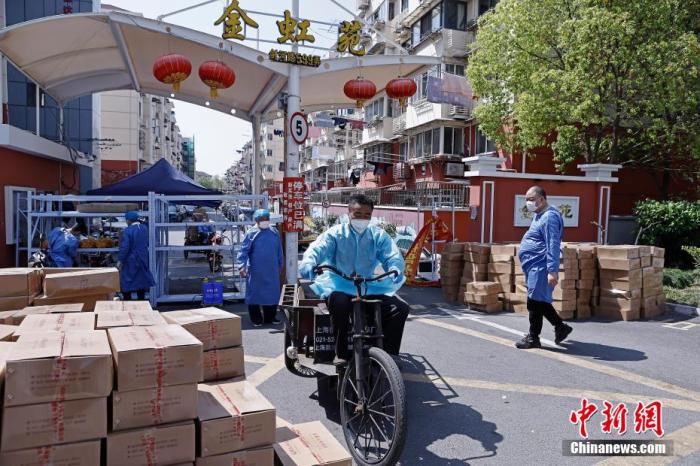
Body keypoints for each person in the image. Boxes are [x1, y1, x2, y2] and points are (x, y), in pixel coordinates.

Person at [299, 194, 409, 361]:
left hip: (367, 286)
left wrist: (395, 267)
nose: (362, 218)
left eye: (367, 215)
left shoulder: (377, 235)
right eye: (358, 214)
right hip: (338, 285)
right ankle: (341, 353)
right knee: (340, 304)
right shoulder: (335, 234)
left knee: (399, 308)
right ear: (349, 212)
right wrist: (309, 264)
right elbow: (317, 249)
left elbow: (391, 255)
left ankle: (388, 356)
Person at [516, 186, 573, 349]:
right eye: (526, 199)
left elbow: (553, 244)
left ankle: (534, 337)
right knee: (537, 300)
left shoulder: (549, 217)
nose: (528, 202)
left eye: (531, 199)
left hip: (541, 265)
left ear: (541, 199)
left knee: (534, 301)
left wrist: (552, 270)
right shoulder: (539, 215)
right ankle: (561, 327)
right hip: (533, 264)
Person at [237, 209, 284, 327]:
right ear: (257, 220)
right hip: (256, 270)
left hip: (272, 270)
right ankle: (256, 319)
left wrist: (280, 264)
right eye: (262, 220)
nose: (265, 221)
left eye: (266, 219)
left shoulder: (274, 232)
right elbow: (243, 251)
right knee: (254, 294)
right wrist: (241, 266)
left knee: (272, 294)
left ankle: (270, 317)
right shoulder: (251, 233)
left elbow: (279, 250)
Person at [118, 211, 155, 301]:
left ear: (129, 220)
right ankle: (142, 305)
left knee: (127, 283)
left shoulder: (127, 230)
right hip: (143, 258)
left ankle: (128, 304)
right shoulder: (144, 228)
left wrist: (120, 260)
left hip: (131, 260)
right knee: (141, 283)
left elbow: (125, 247)